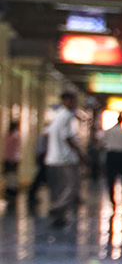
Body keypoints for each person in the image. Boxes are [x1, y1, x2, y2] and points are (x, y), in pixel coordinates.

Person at [42, 91, 83, 230]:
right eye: (72, 101)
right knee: (72, 186)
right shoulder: (67, 116)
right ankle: (57, 208)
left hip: (53, 159)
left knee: (59, 189)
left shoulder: (57, 115)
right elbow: (68, 137)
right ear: (64, 100)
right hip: (65, 159)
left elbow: (47, 134)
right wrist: (81, 153)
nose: (74, 104)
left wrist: (51, 149)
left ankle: (59, 216)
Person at [99, 112, 122, 209]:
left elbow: (103, 144)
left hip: (111, 155)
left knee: (110, 179)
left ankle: (112, 201)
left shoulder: (108, 131)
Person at [2, 120, 19, 212]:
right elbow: (15, 150)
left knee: (8, 175)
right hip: (13, 160)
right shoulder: (15, 137)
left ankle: (8, 191)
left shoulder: (6, 137)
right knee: (12, 176)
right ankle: (12, 192)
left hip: (6, 159)